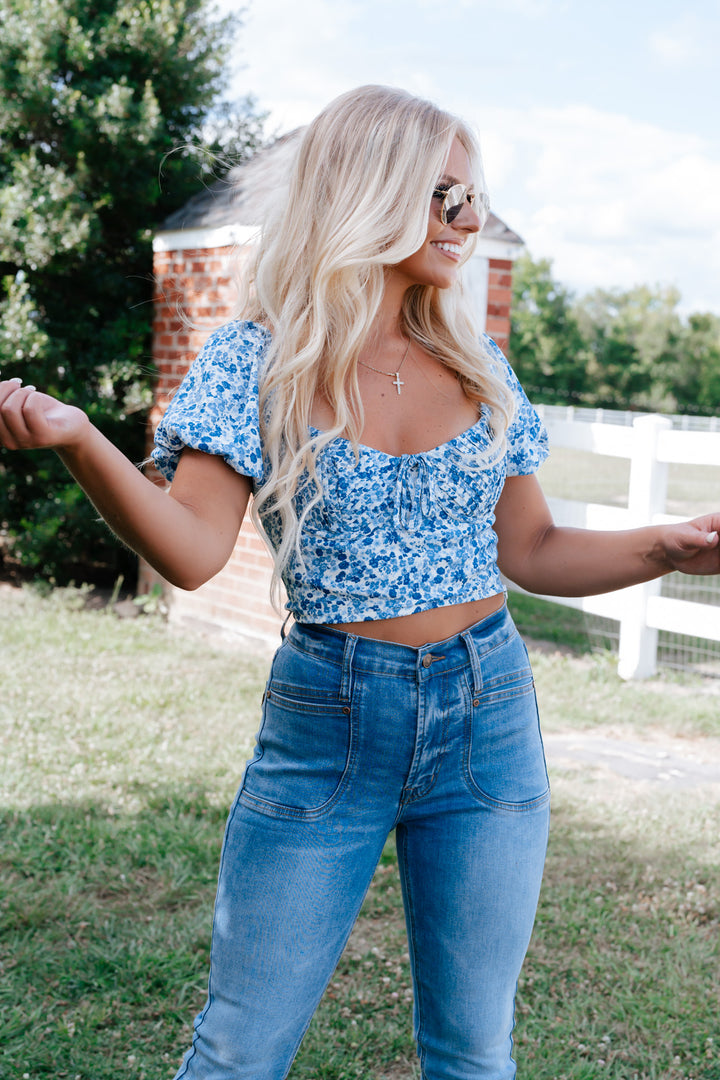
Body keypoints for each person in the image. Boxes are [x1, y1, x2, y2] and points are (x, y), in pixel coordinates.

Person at [0, 85, 718, 1080]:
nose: (468, 223)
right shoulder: (259, 362)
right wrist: (81, 440)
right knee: (241, 1045)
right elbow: (194, 551)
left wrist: (668, 549)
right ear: (367, 195)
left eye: (473, 199)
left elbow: (533, 549)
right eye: (442, 197)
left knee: (475, 1049)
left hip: (489, 717)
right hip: (329, 722)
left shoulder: (479, 365)